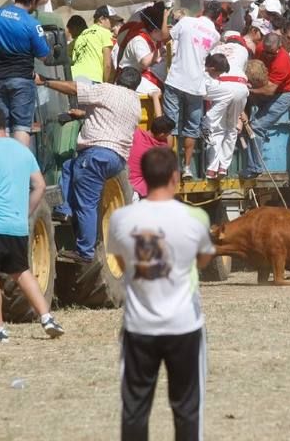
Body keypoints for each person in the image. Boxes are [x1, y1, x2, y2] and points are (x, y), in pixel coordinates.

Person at [108, 147, 214, 441]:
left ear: (142, 177)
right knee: (187, 407)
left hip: (138, 327)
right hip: (184, 325)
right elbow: (203, 259)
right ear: (175, 177)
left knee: (134, 408)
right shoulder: (195, 218)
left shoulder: (121, 218)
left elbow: (118, 262)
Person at [0, 103, 64, 342]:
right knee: (21, 271)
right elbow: (40, 186)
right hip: (16, 224)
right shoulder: (23, 150)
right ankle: (47, 318)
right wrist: (25, 212)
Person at [45, 68, 142, 263]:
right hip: (116, 159)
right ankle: (63, 210)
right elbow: (109, 116)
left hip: (96, 155)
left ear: (117, 78)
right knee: (69, 166)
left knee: (87, 204)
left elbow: (74, 89)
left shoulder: (107, 90)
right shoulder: (135, 101)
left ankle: (85, 252)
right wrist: (81, 115)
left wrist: (45, 81)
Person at [0, 0, 50, 147]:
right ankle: (19, 168)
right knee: (22, 126)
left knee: (2, 126)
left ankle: (3, 165)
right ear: (33, 0)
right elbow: (44, 56)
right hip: (22, 80)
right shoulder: (32, 23)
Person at [159, 3, 220, 180]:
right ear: (216, 18)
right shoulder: (215, 35)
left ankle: (171, 168)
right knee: (191, 129)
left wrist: (165, 16)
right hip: (196, 85)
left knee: (171, 126)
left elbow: (164, 36)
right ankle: (187, 168)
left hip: (176, 80)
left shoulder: (186, 22)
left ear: (202, 12)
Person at [241, 33, 290, 179]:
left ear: (279, 48)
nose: (267, 55)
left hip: (284, 95)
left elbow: (269, 90)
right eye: (265, 52)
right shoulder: (260, 48)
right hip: (266, 90)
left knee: (257, 127)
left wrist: (248, 90)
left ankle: (255, 168)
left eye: (271, 53)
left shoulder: (283, 61)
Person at [205, 36, 250, 179]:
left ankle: (212, 168)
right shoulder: (244, 50)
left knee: (217, 128)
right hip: (239, 86)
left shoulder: (215, 48)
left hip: (221, 85)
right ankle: (224, 167)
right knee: (231, 128)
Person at [127, 115, 174, 199]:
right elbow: (170, 145)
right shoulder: (160, 148)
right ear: (162, 134)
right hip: (140, 189)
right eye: (168, 133)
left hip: (125, 182)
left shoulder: (136, 133)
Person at [71, 6, 120, 84]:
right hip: (92, 79)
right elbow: (107, 64)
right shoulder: (105, 32)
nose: (113, 24)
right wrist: (105, 84)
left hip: (74, 77)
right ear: (101, 19)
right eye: (111, 20)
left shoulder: (82, 34)